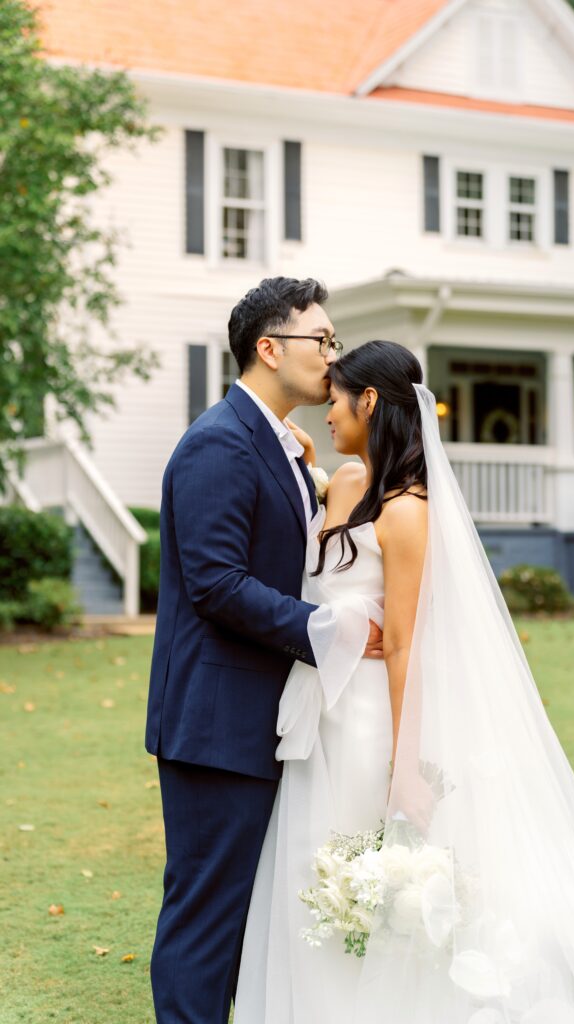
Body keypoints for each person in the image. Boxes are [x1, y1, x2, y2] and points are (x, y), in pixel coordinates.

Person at [234, 339, 574, 1024]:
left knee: (366, 881)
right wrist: (305, 465)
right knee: (308, 866)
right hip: (315, 714)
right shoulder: (348, 482)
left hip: (367, 720)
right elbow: (331, 551)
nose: (326, 415)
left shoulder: (410, 511)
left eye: (335, 401)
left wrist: (405, 766)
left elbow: (408, 644)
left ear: (370, 401)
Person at [145, 277, 382, 1024]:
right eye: (322, 341)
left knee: (250, 923)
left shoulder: (275, 443)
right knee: (207, 919)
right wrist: (333, 631)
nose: (331, 358)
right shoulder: (217, 443)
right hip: (217, 725)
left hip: (264, 722)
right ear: (268, 347)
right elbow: (215, 583)